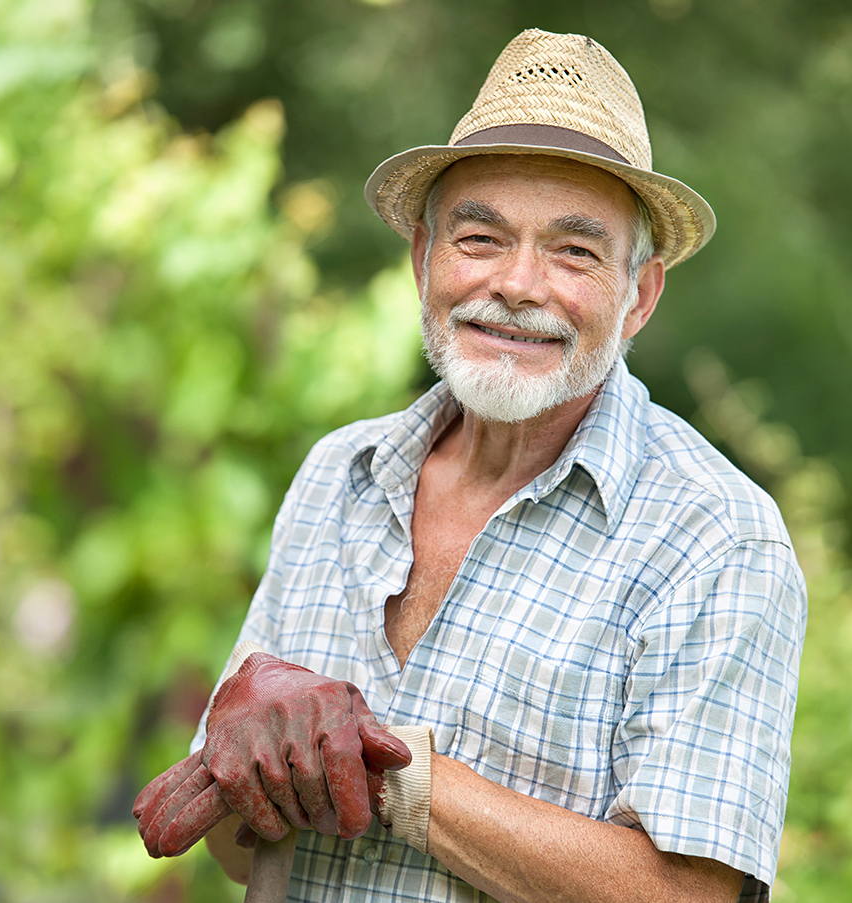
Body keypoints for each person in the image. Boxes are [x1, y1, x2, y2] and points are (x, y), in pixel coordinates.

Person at [134, 28, 806, 903]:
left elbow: (688, 896)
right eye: (480, 238)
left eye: (573, 251)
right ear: (424, 260)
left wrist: (388, 775)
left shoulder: (713, 535)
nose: (518, 283)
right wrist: (253, 763)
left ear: (637, 295)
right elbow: (236, 848)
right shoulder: (339, 477)